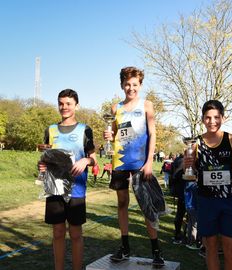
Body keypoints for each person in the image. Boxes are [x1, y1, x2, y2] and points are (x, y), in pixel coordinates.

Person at [184, 100, 232, 270]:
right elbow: (190, 174)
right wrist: (186, 164)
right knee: (210, 249)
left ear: (223, 118)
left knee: (230, 249)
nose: (212, 121)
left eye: (216, 117)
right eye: (208, 117)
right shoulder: (195, 143)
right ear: (202, 119)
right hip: (206, 201)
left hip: (228, 201)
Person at [103, 66, 164, 267]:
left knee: (147, 207)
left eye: (135, 84)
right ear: (122, 85)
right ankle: (125, 247)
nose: (131, 88)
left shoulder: (147, 105)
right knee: (122, 205)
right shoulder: (115, 109)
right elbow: (114, 134)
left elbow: (153, 134)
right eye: (127, 84)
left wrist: (149, 163)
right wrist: (108, 136)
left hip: (140, 163)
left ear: (140, 85)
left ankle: (156, 251)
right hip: (120, 163)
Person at [38, 89, 97, 270]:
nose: (64, 107)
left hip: (76, 189)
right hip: (54, 188)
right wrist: (41, 167)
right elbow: (45, 158)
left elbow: (95, 159)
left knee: (76, 234)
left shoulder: (84, 130)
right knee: (57, 233)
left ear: (76, 106)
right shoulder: (51, 130)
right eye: (61, 103)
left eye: (68, 103)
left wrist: (86, 160)